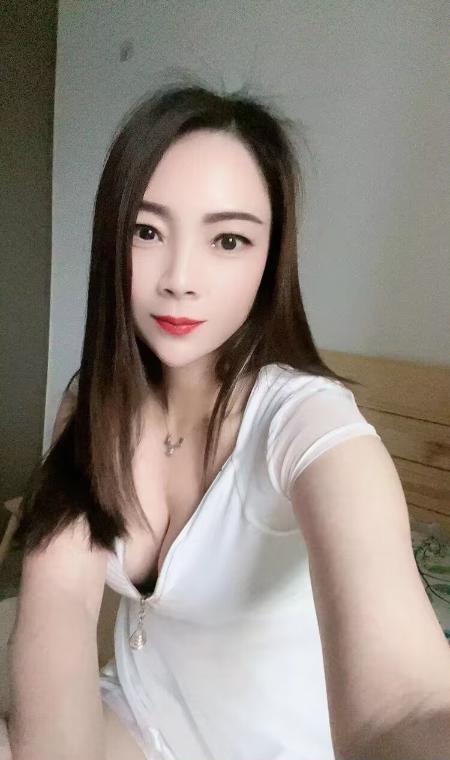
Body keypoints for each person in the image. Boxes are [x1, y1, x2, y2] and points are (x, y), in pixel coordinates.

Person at [6, 80, 450, 760]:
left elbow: (404, 704)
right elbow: (60, 605)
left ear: (271, 258)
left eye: (229, 240)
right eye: (147, 231)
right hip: (137, 715)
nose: (180, 278)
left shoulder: (309, 427)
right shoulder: (93, 405)